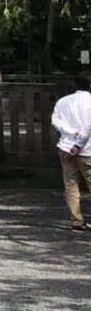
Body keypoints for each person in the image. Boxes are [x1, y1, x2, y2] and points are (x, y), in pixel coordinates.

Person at [53, 75, 91, 230]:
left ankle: (76, 220)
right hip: (87, 149)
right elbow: (88, 127)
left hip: (65, 147)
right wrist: (78, 144)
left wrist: (69, 132)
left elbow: (55, 120)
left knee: (71, 185)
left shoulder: (62, 101)